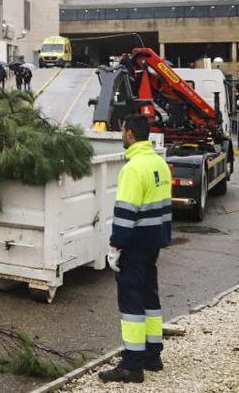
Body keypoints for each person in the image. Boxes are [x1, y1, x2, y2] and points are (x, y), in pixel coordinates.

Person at [99, 114, 171, 384]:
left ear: (129, 134)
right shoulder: (159, 163)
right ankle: (153, 355)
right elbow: (164, 207)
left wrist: (116, 246)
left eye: (122, 130)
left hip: (135, 243)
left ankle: (131, 364)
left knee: (130, 303)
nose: (121, 135)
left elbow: (125, 214)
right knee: (149, 296)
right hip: (154, 242)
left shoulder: (132, 168)